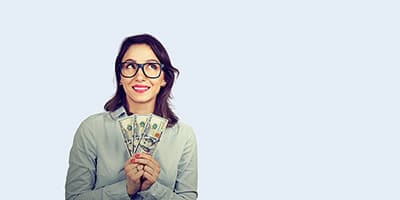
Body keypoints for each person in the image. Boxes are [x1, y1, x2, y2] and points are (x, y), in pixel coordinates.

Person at [65, 34, 198, 200]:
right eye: (130, 66)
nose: (140, 76)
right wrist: (126, 188)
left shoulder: (184, 135)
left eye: (151, 66)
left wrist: (152, 188)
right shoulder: (91, 128)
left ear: (164, 78)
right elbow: (74, 198)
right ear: (120, 77)